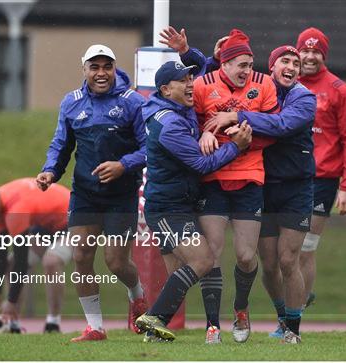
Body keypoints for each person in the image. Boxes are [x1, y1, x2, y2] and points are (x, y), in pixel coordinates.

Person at [160, 27, 279, 344]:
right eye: (241, 64)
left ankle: (241, 308)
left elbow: (271, 131)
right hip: (212, 181)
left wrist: (235, 122)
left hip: (249, 178)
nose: (247, 70)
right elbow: (189, 121)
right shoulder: (201, 85)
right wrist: (204, 133)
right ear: (223, 65)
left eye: (250, 63)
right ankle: (212, 323)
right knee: (210, 254)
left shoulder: (264, 84)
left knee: (244, 256)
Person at [203, 45, 317, 343]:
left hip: (296, 190)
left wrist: (236, 116)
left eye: (296, 62)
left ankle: (293, 328)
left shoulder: (303, 97)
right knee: (266, 263)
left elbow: (281, 125)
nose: (292, 66)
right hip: (265, 186)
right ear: (272, 67)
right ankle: (282, 317)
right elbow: (210, 88)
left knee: (288, 259)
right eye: (285, 61)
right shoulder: (257, 89)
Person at [36, 44, 148, 342]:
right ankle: (95, 328)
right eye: (94, 67)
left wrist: (123, 165)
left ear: (114, 69)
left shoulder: (132, 102)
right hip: (84, 193)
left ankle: (137, 296)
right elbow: (61, 144)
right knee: (81, 256)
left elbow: (150, 148)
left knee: (115, 262)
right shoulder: (70, 103)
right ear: (83, 69)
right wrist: (50, 171)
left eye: (106, 67)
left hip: (121, 194)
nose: (101, 73)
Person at [135, 60, 252, 343]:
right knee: (203, 260)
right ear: (165, 89)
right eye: (182, 80)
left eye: (190, 77)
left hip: (175, 203)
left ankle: (155, 333)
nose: (191, 83)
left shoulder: (175, 108)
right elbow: (201, 164)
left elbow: (204, 72)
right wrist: (236, 148)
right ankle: (154, 317)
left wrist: (208, 58)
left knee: (178, 274)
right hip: (167, 207)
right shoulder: (170, 124)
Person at [294, 27, 346, 312]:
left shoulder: (339, 90)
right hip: (287, 177)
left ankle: (292, 316)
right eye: (305, 50)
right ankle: (297, 298)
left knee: (305, 247)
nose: (310, 56)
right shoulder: (285, 84)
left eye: (316, 51)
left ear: (324, 55)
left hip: (322, 178)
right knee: (281, 251)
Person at [0, 178, 72, 333]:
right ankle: (13, 324)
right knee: (10, 263)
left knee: (51, 261)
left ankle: (53, 323)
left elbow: (22, 261)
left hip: (75, 220)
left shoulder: (15, 209)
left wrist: (10, 300)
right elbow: (0, 251)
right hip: (48, 224)